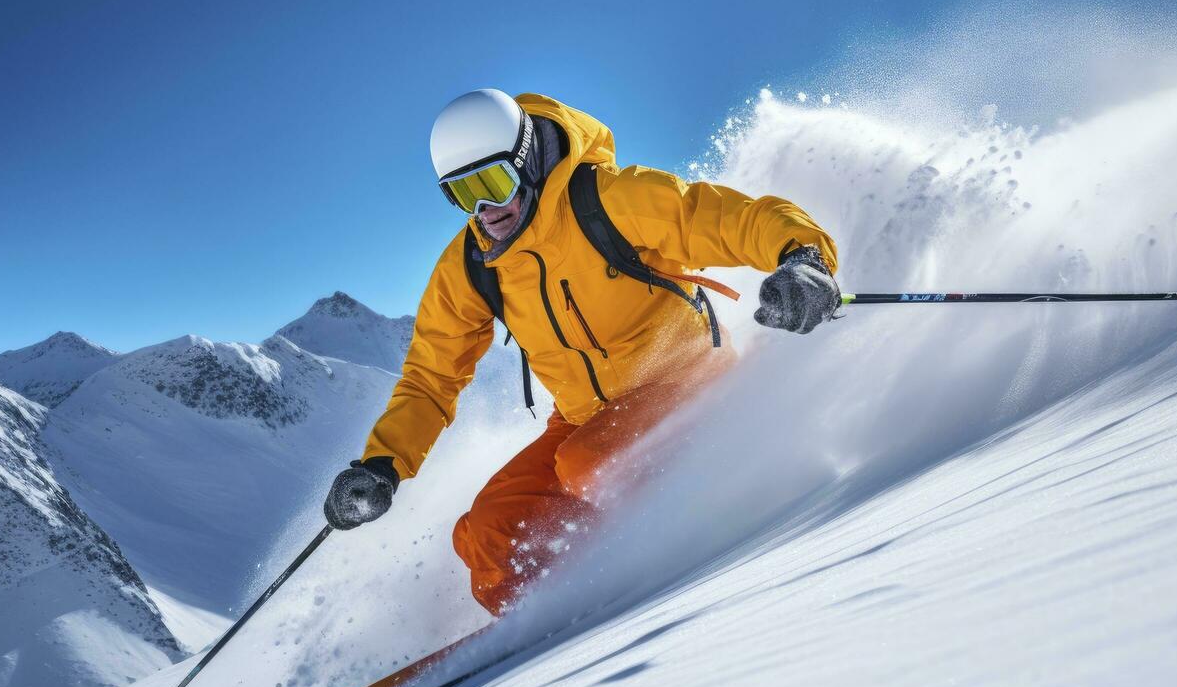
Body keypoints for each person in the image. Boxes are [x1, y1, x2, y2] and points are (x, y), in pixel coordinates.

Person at [324, 90, 840, 615]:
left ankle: (665, 554)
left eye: (494, 184)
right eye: (463, 194)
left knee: (590, 463)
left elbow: (725, 218)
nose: (486, 210)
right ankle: (549, 623)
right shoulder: (470, 267)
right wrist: (382, 465)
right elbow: (431, 377)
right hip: (583, 418)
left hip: (689, 381)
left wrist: (802, 257)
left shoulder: (608, 200)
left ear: (524, 161)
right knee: (486, 533)